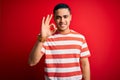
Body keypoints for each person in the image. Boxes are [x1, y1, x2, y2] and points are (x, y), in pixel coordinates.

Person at [28, 3, 91, 80]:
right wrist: (42, 38)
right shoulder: (45, 38)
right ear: (54, 18)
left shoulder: (80, 38)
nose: (62, 21)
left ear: (70, 17)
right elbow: (32, 62)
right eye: (58, 17)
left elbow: (85, 64)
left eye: (65, 17)